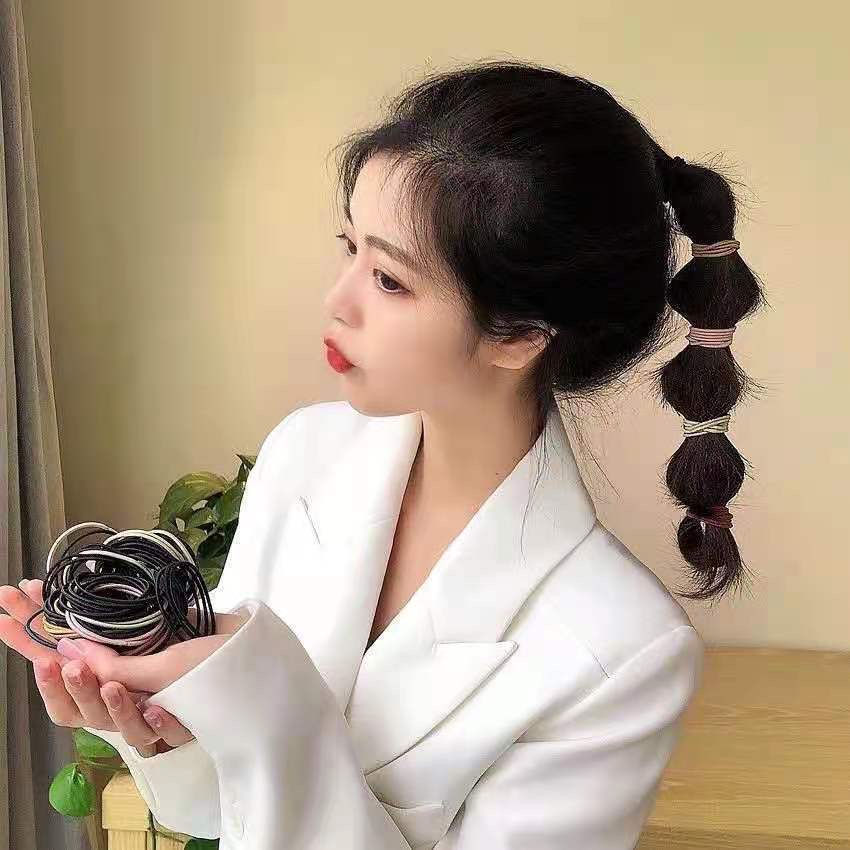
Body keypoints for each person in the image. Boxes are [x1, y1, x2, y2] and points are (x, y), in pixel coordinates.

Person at [0, 59, 766, 849]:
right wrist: (157, 727)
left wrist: (266, 704)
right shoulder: (307, 453)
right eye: (349, 247)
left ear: (518, 337)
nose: (338, 300)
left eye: (391, 280)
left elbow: (268, 740)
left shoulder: (621, 651)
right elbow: (214, 809)